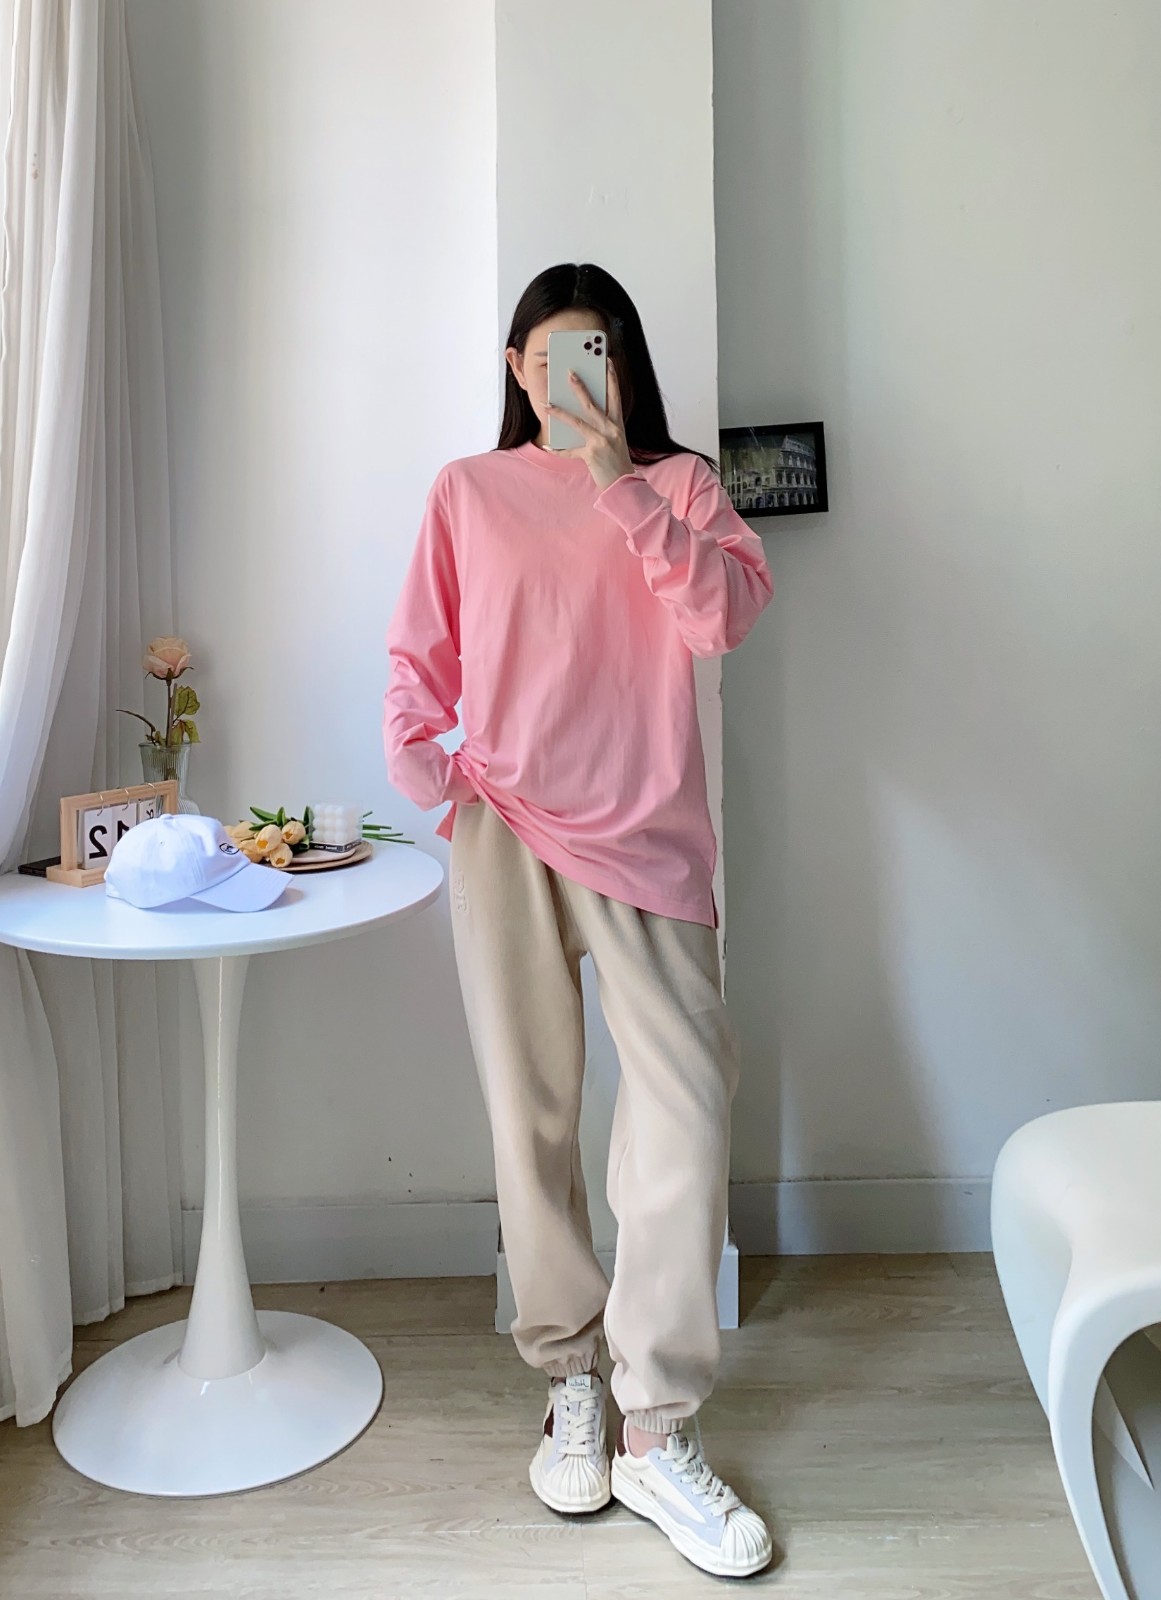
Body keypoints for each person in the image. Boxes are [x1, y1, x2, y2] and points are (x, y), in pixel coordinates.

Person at [382, 262, 775, 1579]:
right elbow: (416, 658)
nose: (570, 381)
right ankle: (572, 1384)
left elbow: (722, 620)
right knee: (532, 1112)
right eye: (548, 359)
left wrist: (621, 484)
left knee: (685, 1110)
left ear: (623, 364)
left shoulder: (681, 486)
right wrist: (433, 771)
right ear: (516, 370)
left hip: (647, 836)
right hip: (506, 829)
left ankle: (657, 1426)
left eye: (593, 355)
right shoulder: (467, 491)